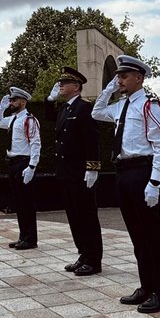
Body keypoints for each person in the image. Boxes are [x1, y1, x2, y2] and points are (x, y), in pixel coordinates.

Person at [92, 55, 160, 313]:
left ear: (138, 78)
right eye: (118, 76)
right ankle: (146, 286)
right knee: (137, 235)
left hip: (142, 172)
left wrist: (154, 182)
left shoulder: (150, 106)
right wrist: (109, 89)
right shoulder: (120, 106)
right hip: (123, 172)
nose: (119, 80)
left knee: (151, 234)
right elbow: (96, 112)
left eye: (124, 76)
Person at [44, 68, 103, 275]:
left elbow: (91, 140)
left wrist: (92, 168)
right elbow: (49, 116)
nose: (60, 85)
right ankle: (83, 254)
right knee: (74, 217)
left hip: (80, 173)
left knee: (87, 217)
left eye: (64, 82)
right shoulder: (64, 109)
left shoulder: (84, 108)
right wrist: (49, 100)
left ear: (76, 86)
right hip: (66, 172)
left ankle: (94, 260)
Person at [0, 86, 41, 249]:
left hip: (24, 163)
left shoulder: (29, 120)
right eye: (10, 100)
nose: (11, 103)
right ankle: (23, 236)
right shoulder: (13, 119)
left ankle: (31, 239)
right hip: (13, 163)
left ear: (23, 101)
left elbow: (36, 143)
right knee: (19, 202)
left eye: (14, 100)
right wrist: (1, 108)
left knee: (27, 202)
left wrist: (32, 166)